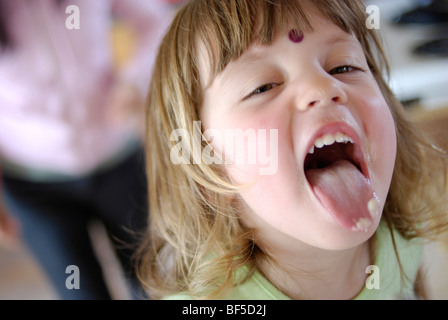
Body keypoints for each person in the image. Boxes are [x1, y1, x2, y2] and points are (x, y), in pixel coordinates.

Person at [135, 0, 448, 300]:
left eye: (343, 67)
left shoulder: (407, 235)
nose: (324, 88)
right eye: (263, 87)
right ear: (209, 169)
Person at [0, 0, 173, 299]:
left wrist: (132, 81)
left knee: (156, 285)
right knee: (78, 291)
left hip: (121, 160)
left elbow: (155, 20)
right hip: (34, 185)